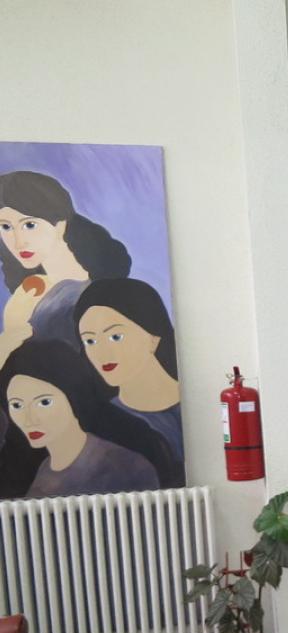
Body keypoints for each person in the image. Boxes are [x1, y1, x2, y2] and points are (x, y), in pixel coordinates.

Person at [0, 341, 166, 499]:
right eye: (16, 405)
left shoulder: (124, 467)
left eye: (44, 402)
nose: (29, 419)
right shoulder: (45, 468)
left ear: (74, 397)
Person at [0, 170, 131, 354]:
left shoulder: (103, 287)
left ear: (60, 223)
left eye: (29, 225)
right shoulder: (26, 294)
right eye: (5, 226)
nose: (18, 241)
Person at [74, 277, 184, 463]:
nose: (102, 352)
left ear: (153, 337)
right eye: (90, 341)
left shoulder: (196, 403)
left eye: (115, 337)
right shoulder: (104, 425)